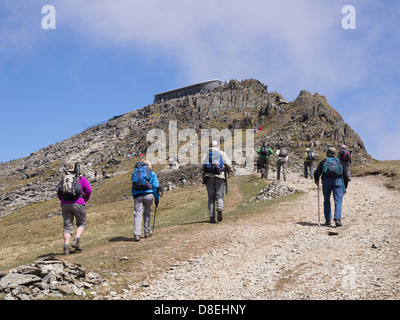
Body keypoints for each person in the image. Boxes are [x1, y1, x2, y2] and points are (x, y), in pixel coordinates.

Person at [57, 161, 92, 255]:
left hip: (65, 205)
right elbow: (88, 190)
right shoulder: (81, 178)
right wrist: (84, 200)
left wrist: (63, 200)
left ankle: (66, 246)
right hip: (79, 203)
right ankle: (76, 239)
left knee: (67, 227)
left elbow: (59, 192)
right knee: (81, 224)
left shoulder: (64, 179)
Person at [202, 140, 232, 223]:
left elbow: (203, 166)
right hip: (220, 176)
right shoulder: (222, 153)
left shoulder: (206, 154)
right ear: (217, 146)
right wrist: (229, 172)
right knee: (219, 195)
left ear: (210, 146)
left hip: (209, 177)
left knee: (211, 197)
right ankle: (219, 208)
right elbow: (228, 164)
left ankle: (212, 217)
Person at [314, 147, 345, 227]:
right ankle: (337, 219)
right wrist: (345, 187)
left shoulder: (324, 161)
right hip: (338, 181)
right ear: (335, 154)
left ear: (327, 153)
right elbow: (345, 175)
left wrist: (316, 180)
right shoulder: (340, 162)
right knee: (338, 200)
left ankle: (328, 220)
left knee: (326, 200)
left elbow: (317, 172)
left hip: (326, 181)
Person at [131, 159, 159, 241]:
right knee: (147, 212)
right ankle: (147, 231)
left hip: (138, 195)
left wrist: (134, 195)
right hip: (149, 195)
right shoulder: (151, 173)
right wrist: (157, 197)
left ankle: (137, 234)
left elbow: (133, 186)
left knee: (137, 214)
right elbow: (155, 186)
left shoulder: (136, 172)